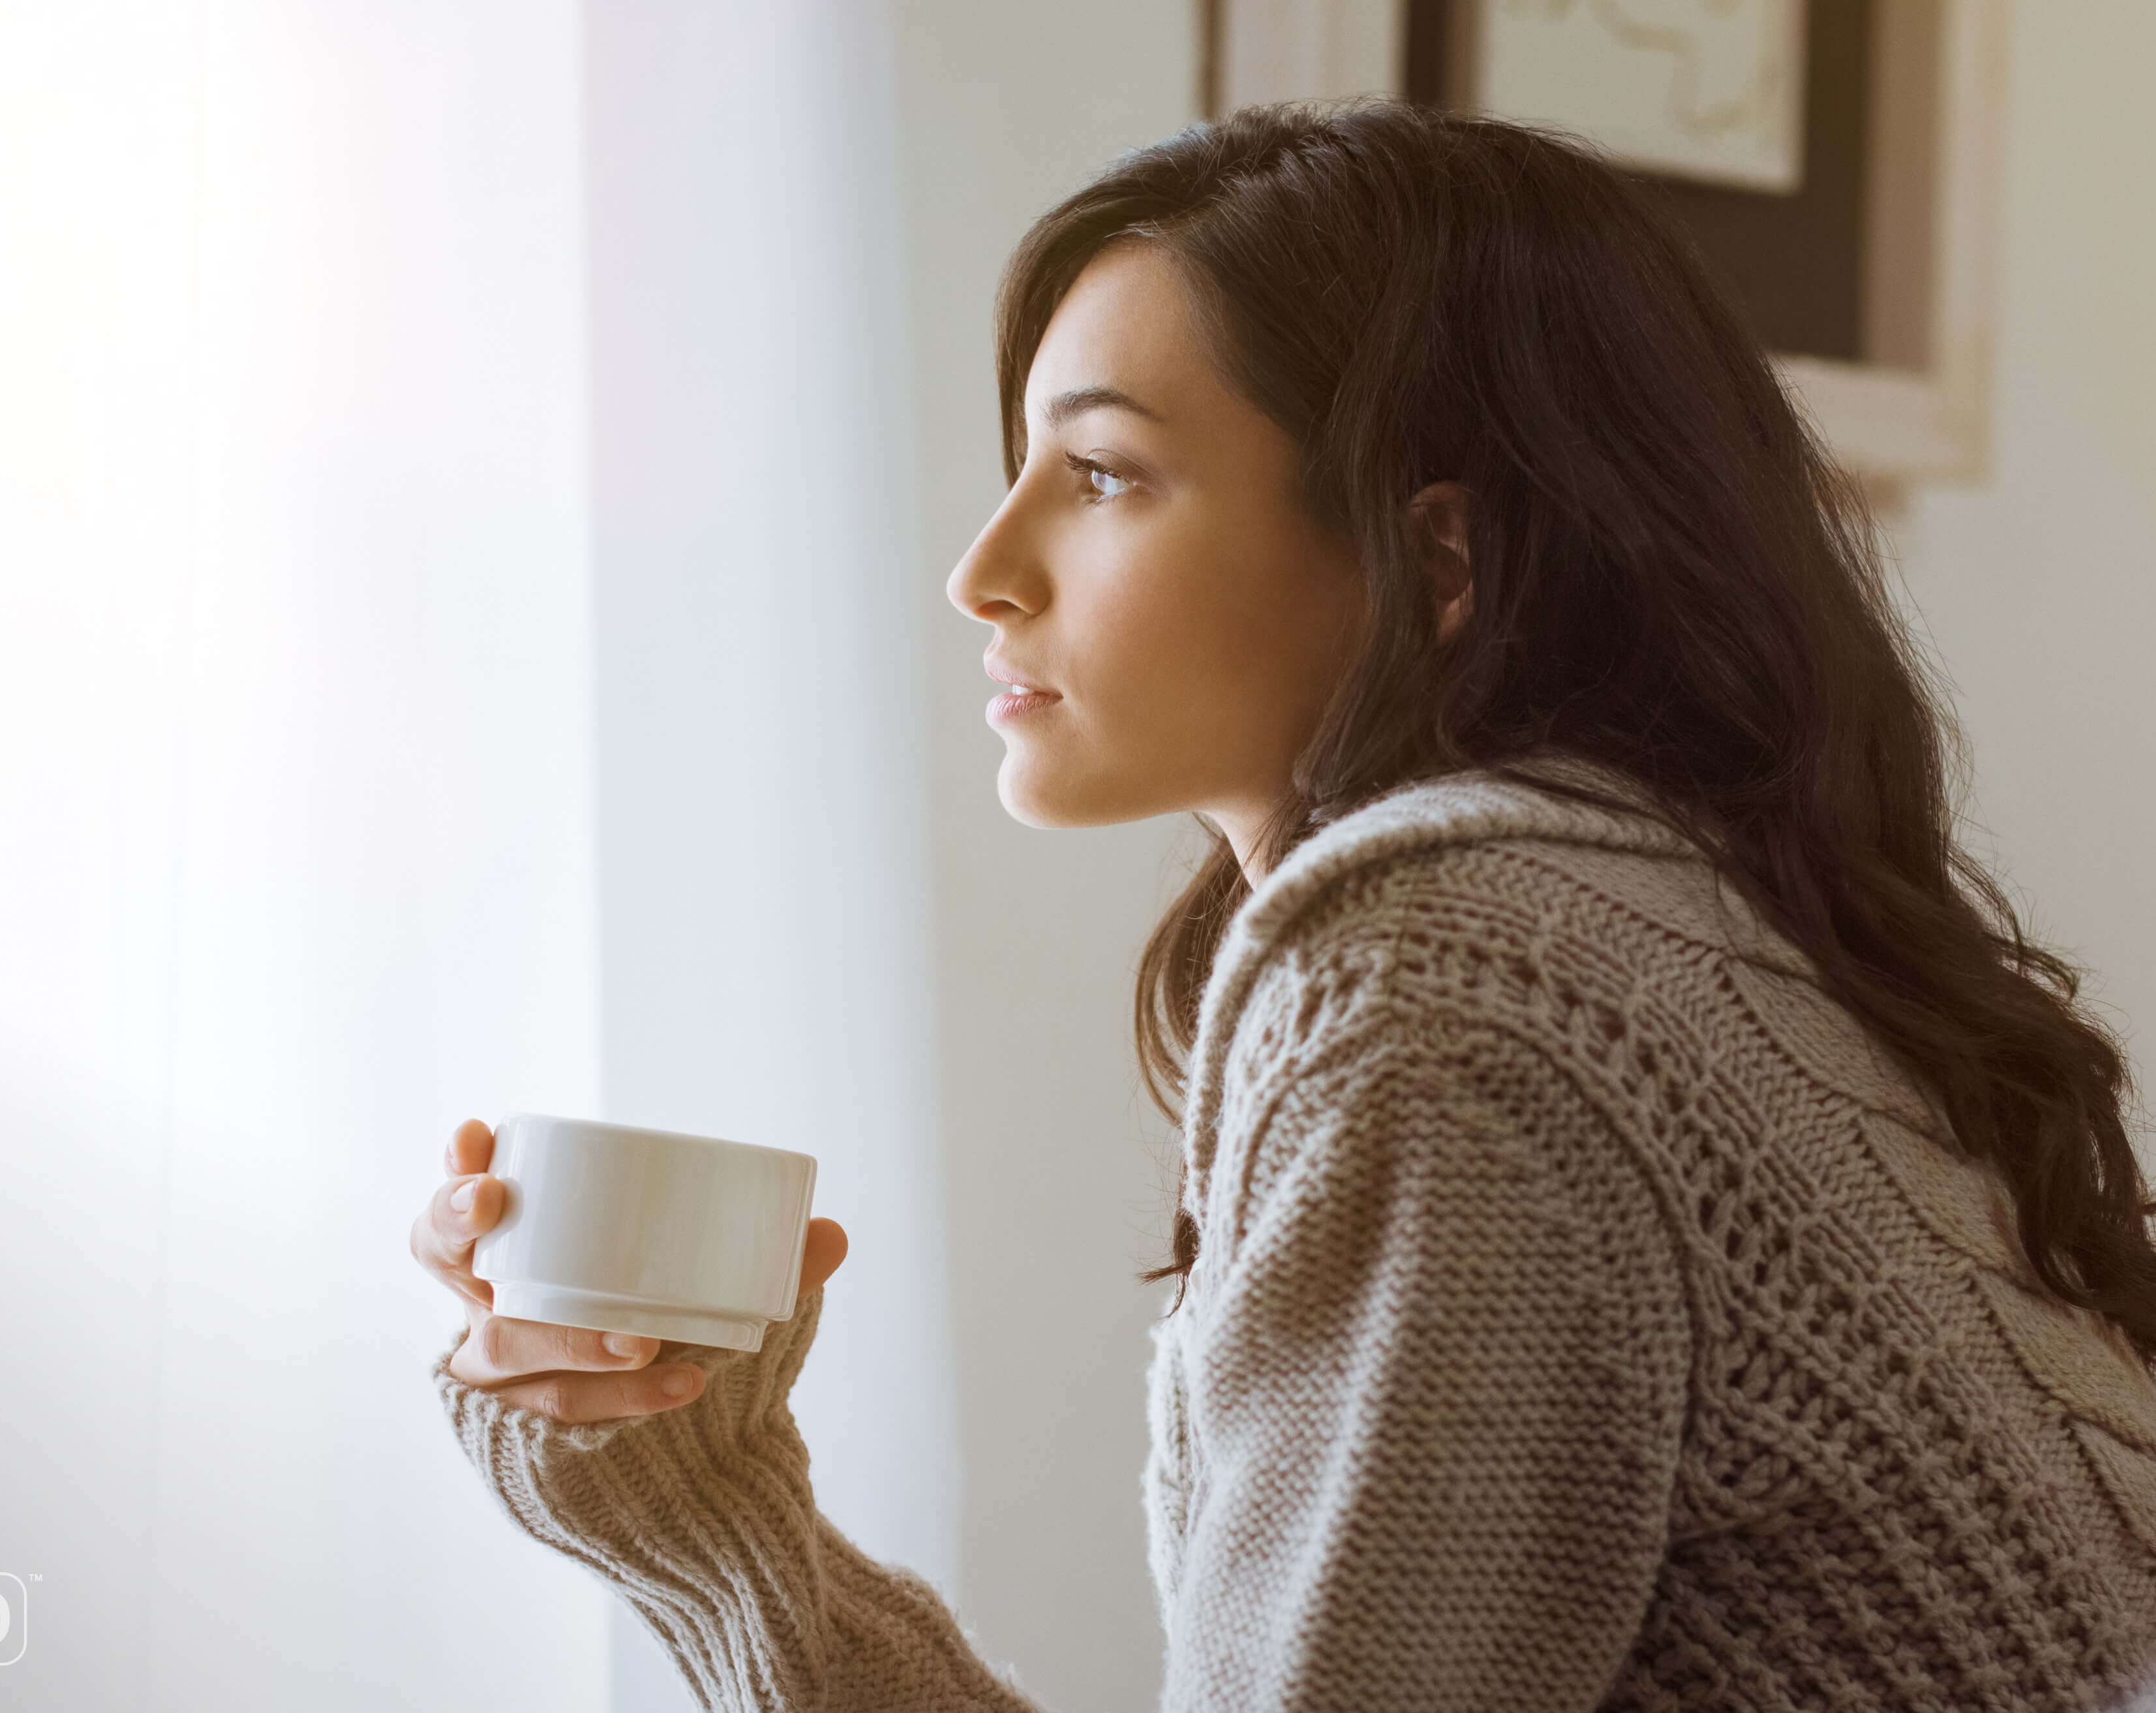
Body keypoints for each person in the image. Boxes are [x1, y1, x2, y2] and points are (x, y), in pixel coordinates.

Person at [406, 101, 2156, 1710]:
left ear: (1437, 560)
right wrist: (703, 1503)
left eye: (1103, 474)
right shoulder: (1656, 910)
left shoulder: (1452, 973)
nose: (983, 571)